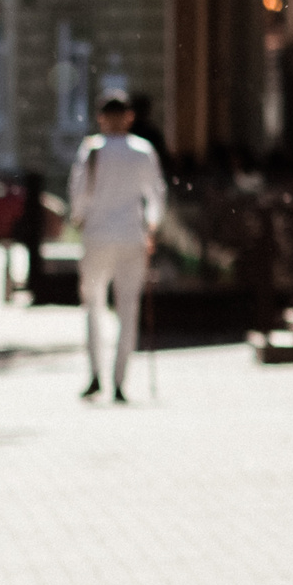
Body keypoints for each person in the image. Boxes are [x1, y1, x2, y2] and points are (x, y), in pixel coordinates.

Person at [67, 92, 166, 402]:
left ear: (101, 118)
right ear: (129, 117)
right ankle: (120, 379)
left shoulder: (92, 149)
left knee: (93, 307)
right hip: (131, 236)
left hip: (97, 236)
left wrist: (79, 219)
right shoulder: (142, 150)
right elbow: (156, 194)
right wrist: (151, 227)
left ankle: (96, 374)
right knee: (128, 309)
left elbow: (78, 192)